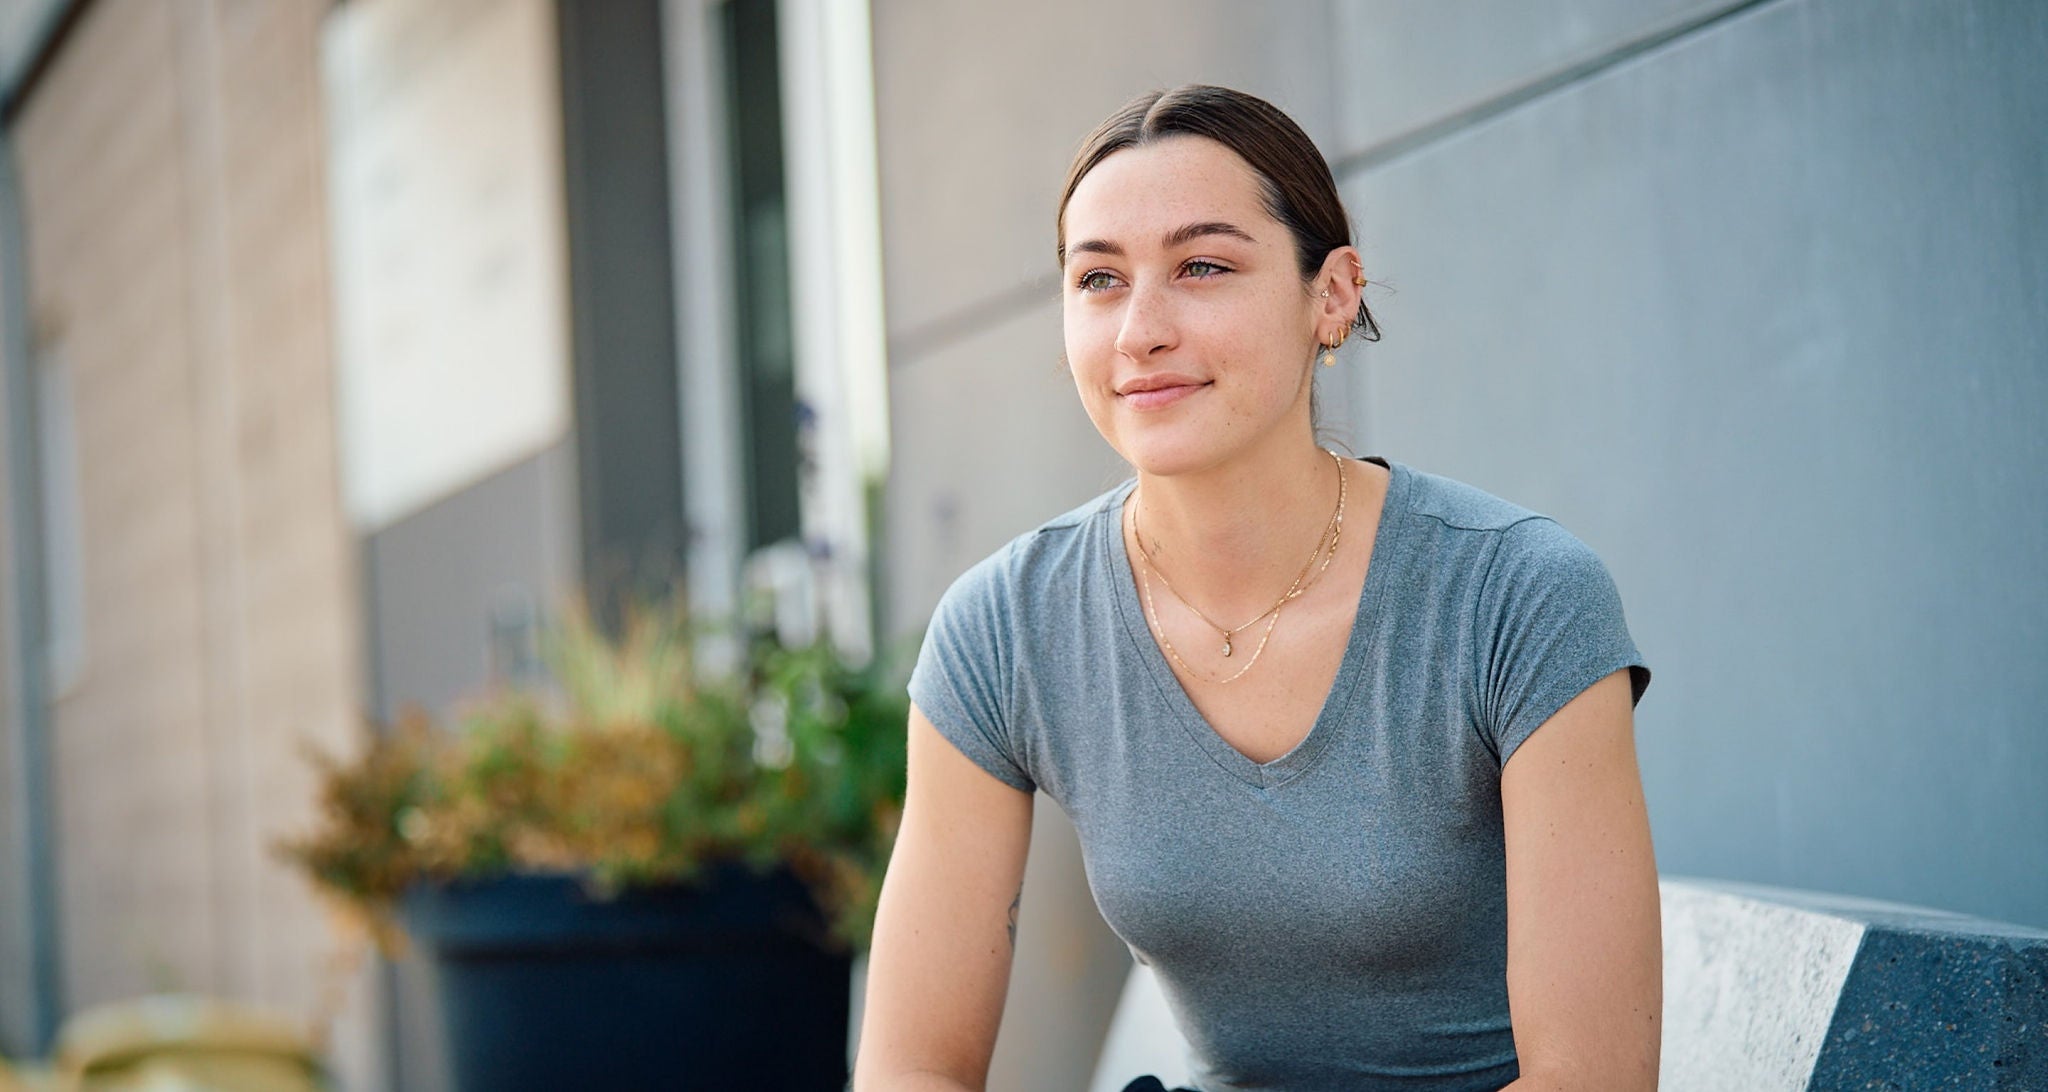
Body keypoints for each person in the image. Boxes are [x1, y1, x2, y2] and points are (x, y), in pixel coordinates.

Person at [854, 84, 1661, 1092]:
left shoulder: (1518, 596)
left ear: (1331, 295)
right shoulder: (1004, 629)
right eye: (1098, 280)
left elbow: (1592, 1080)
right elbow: (908, 1069)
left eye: (1202, 266)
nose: (1137, 331)